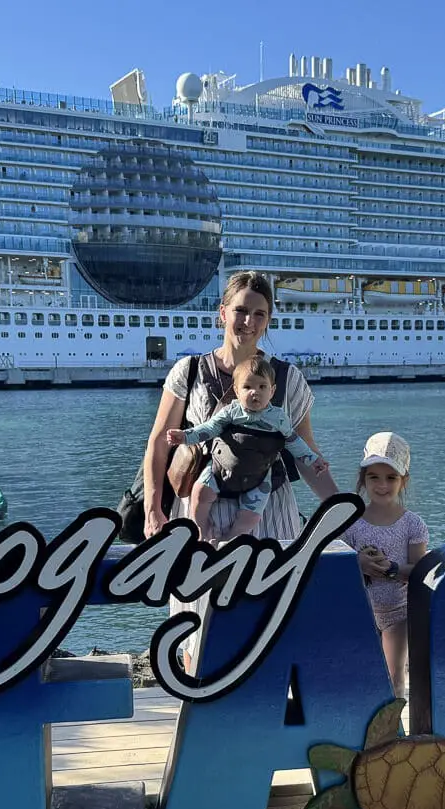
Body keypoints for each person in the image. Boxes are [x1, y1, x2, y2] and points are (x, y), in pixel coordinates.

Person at [140, 270, 349, 669]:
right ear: (222, 313)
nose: (248, 322)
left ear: (269, 319)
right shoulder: (189, 371)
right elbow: (157, 442)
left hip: (268, 510)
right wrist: (154, 507)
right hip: (202, 507)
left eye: (259, 313)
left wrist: (345, 514)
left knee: (269, 621)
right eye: (240, 311)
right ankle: (197, 707)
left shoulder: (287, 380)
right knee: (195, 624)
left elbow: (308, 458)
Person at [164, 355, 328, 541]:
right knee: (200, 494)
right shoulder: (231, 411)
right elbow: (209, 429)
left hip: (259, 474)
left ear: (272, 391)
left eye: (262, 387)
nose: (254, 392)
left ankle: (231, 539)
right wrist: (185, 436)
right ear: (236, 390)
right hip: (220, 468)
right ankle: (203, 530)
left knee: (250, 516)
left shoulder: (278, 418)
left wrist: (313, 460)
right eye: (247, 387)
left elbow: (294, 441)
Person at [341, 431, 428, 700]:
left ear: (404, 481)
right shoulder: (351, 522)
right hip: (359, 610)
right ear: (363, 479)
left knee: (393, 676)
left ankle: (394, 733)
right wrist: (359, 563)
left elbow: (419, 571)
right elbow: (337, 567)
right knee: (358, 674)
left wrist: (390, 568)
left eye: (391, 478)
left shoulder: (413, 524)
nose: (382, 485)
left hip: (397, 612)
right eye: (374, 477)